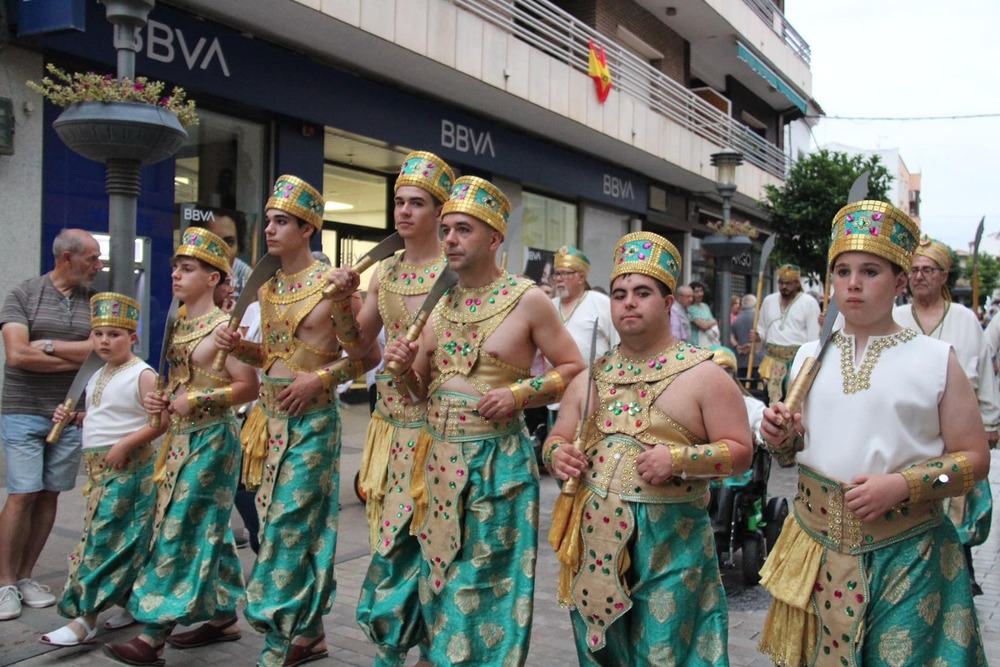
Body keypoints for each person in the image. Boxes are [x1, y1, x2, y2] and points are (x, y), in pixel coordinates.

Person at [757, 201, 989, 666]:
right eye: (842, 271)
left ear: (900, 281)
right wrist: (780, 437)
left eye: (870, 271)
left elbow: (974, 462)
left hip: (909, 553)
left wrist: (905, 485)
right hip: (815, 547)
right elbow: (790, 455)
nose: (853, 284)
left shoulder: (936, 359)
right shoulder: (807, 356)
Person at [383, 175, 584, 666]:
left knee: (484, 579)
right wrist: (404, 368)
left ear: (494, 239)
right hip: (438, 459)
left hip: (499, 464)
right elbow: (420, 390)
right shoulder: (437, 303)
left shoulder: (527, 299)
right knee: (438, 570)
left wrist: (519, 394)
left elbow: (574, 366)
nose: (449, 239)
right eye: (447, 229)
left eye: (463, 230)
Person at [545, 231, 752, 666]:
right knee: (600, 653)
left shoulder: (704, 374)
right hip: (596, 543)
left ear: (668, 303)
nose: (629, 303)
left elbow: (740, 452)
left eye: (642, 293)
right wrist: (557, 455)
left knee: (666, 655)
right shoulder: (591, 375)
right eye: (619, 294)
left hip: (671, 546)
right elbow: (557, 437)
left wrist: (679, 459)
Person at [215, 175, 381, 667]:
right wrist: (240, 347)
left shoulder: (332, 285)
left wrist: (320, 380)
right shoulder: (267, 288)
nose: (269, 229)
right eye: (268, 220)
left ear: (308, 229)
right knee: (277, 523)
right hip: (267, 421)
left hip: (312, 421)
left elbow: (365, 356)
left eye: (281, 221)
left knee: (289, 525)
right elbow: (275, 354)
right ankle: (308, 634)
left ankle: (280, 633)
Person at [104, 228, 259, 667]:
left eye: (187, 268)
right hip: (179, 439)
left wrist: (198, 399)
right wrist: (162, 398)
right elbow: (176, 385)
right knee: (205, 525)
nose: (175, 274)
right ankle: (225, 616)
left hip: (213, 440)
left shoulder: (225, 327)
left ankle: (154, 632)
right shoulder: (180, 323)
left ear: (214, 279)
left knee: (180, 526)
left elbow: (247, 387)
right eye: (175, 266)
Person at [325, 150, 455, 667]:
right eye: (399, 202)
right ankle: (394, 645)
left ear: (440, 213)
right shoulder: (385, 272)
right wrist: (340, 301)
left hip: (443, 427)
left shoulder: (458, 270)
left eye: (416, 203)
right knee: (391, 539)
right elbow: (360, 349)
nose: (403, 212)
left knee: (438, 539)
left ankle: (432, 649)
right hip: (390, 426)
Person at [40, 293, 162, 647]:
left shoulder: (143, 373)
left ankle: (85, 618)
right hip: (99, 472)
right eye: (99, 334)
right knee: (123, 541)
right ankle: (130, 602)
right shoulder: (97, 374)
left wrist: (124, 444)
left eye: (115, 334)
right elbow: (104, 415)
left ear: (133, 338)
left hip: (131, 469)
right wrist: (76, 418)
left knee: (103, 541)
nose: (105, 341)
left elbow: (160, 422)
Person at [0, 229, 102, 620]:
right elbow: (15, 356)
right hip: (24, 408)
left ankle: (26, 576)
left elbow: (103, 349)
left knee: (49, 494)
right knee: (22, 492)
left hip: (71, 411)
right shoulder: (23, 294)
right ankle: (5, 581)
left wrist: (44, 345)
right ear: (67, 259)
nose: (98, 265)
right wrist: (77, 355)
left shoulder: (94, 301)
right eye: (92, 258)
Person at [892, 235, 999, 595]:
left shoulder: (966, 320)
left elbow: (983, 374)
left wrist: (990, 422)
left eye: (928, 270)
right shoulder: (895, 317)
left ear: (944, 276)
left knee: (953, 500)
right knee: (912, 500)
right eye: (915, 269)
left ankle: (958, 566)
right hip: (907, 433)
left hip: (955, 436)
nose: (920, 276)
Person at [547, 245, 618, 422]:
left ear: (581, 277)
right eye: (556, 274)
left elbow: (619, 346)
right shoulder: (548, 306)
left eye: (565, 273)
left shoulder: (600, 303)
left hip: (592, 397)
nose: (559, 279)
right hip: (554, 397)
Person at [751, 264, 820, 404]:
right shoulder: (769, 300)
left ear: (796, 283)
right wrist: (758, 337)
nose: (783, 287)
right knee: (768, 401)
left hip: (797, 361)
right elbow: (762, 328)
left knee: (793, 403)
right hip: (772, 360)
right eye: (780, 283)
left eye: (787, 283)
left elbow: (813, 336)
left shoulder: (809, 303)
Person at [203, 207, 252, 299]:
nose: (220, 251)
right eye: (212, 243)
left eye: (229, 243)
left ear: (239, 248)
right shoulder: (189, 276)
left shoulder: (249, 278)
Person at [730, 293, 758, 378]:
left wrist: (738, 347)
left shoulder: (736, 320)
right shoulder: (758, 317)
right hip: (757, 361)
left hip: (740, 361)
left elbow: (731, 337)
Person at [687, 280, 719, 347]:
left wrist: (709, 323)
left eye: (701, 291)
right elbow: (704, 326)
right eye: (696, 291)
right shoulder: (691, 309)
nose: (700, 294)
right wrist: (712, 322)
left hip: (710, 341)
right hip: (697, 343)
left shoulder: (705, 306)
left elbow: (713, 322)